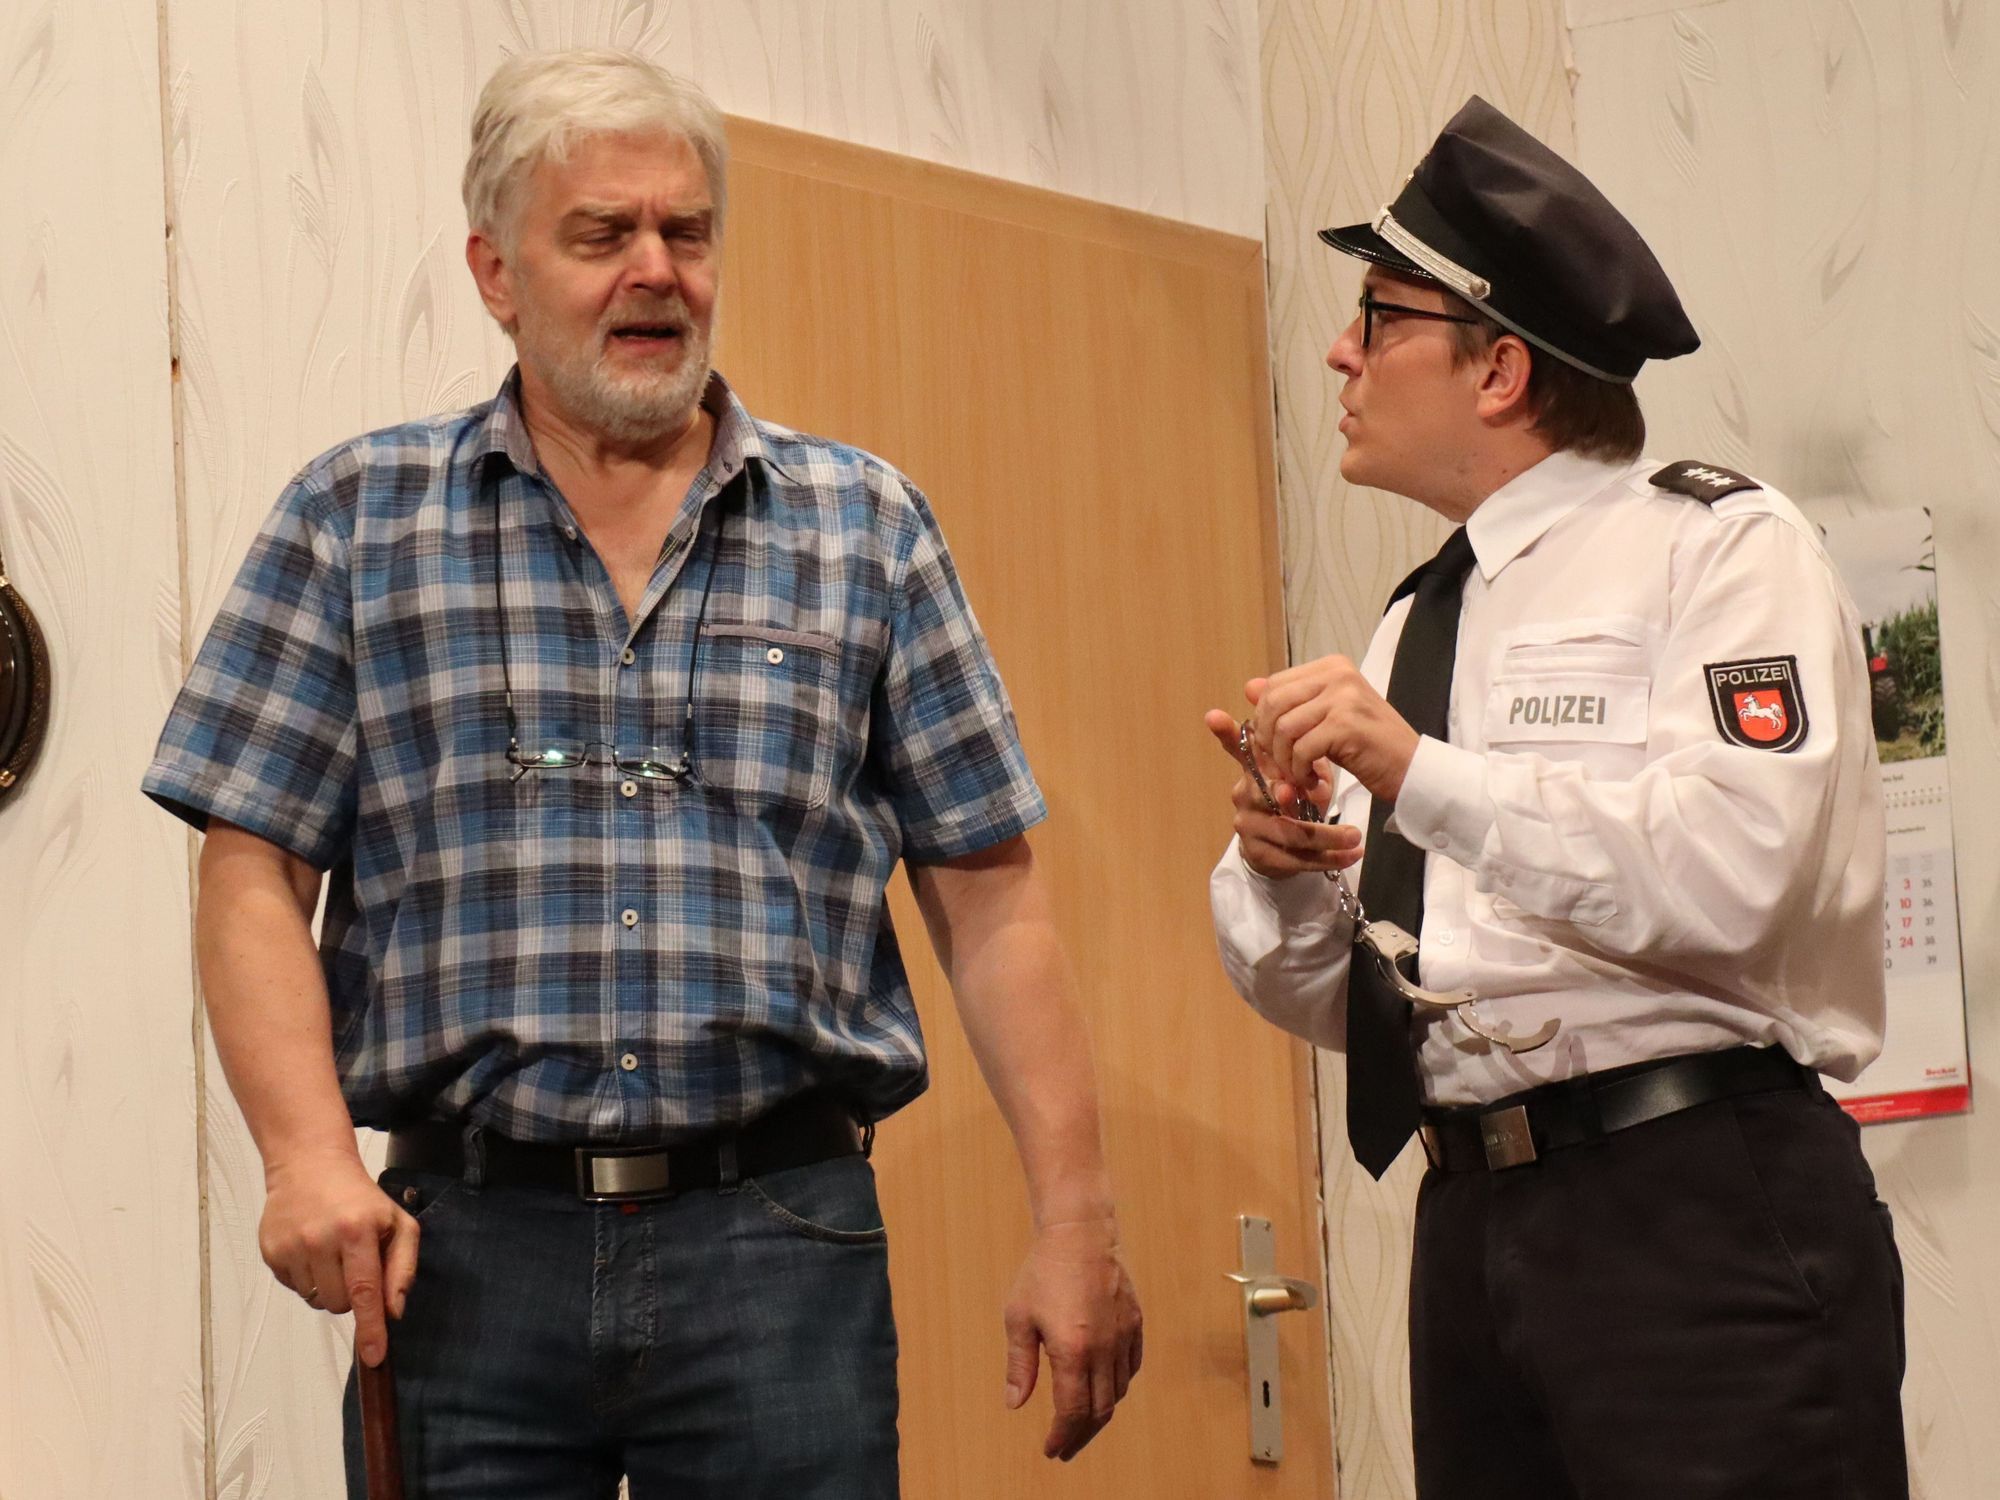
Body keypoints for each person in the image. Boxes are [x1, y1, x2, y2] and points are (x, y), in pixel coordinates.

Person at [146, 48, 1140, 1499]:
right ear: (496, 272)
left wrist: (1077, 1225)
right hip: (462, 1256)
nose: (656, 270)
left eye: (686, 231)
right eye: (602, 234)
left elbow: (992, 896)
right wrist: (305, 1161)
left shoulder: (866, 527)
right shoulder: (354, 521)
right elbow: (252, 868)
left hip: (779, 1248)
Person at [1206, 96, 1905, 1499]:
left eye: (1378, 316)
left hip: (1693, 1203)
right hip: (1471, 1218)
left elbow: (1739, 872)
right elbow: (1362, 1006)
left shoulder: (1718, 547)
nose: (1340, 350)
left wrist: (1419, 773)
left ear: (1501, 370)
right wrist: (1282, 874)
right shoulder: (1420, 617)